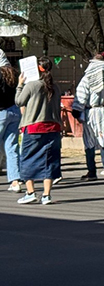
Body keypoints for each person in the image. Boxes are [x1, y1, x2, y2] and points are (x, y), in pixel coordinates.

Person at [14, 57, 61, 205]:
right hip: (53, 128)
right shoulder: (56, 87)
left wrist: (20, 85)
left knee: (27, 159)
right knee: (50, 161)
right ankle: (46, 195)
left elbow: (19, 101)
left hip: (34, 127)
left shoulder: (32, 85)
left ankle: (30, 192)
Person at [73, 51, 104, 181]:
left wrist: (76, 110)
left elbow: (81, 95)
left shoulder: (88, 77)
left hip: (91, 112)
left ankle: (92, 171)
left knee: (89, 143)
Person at [1, 65, 22, 193]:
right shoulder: (14, 75)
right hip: (14, 111)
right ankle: (15, 181)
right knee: (12, 147)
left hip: (1, 113)